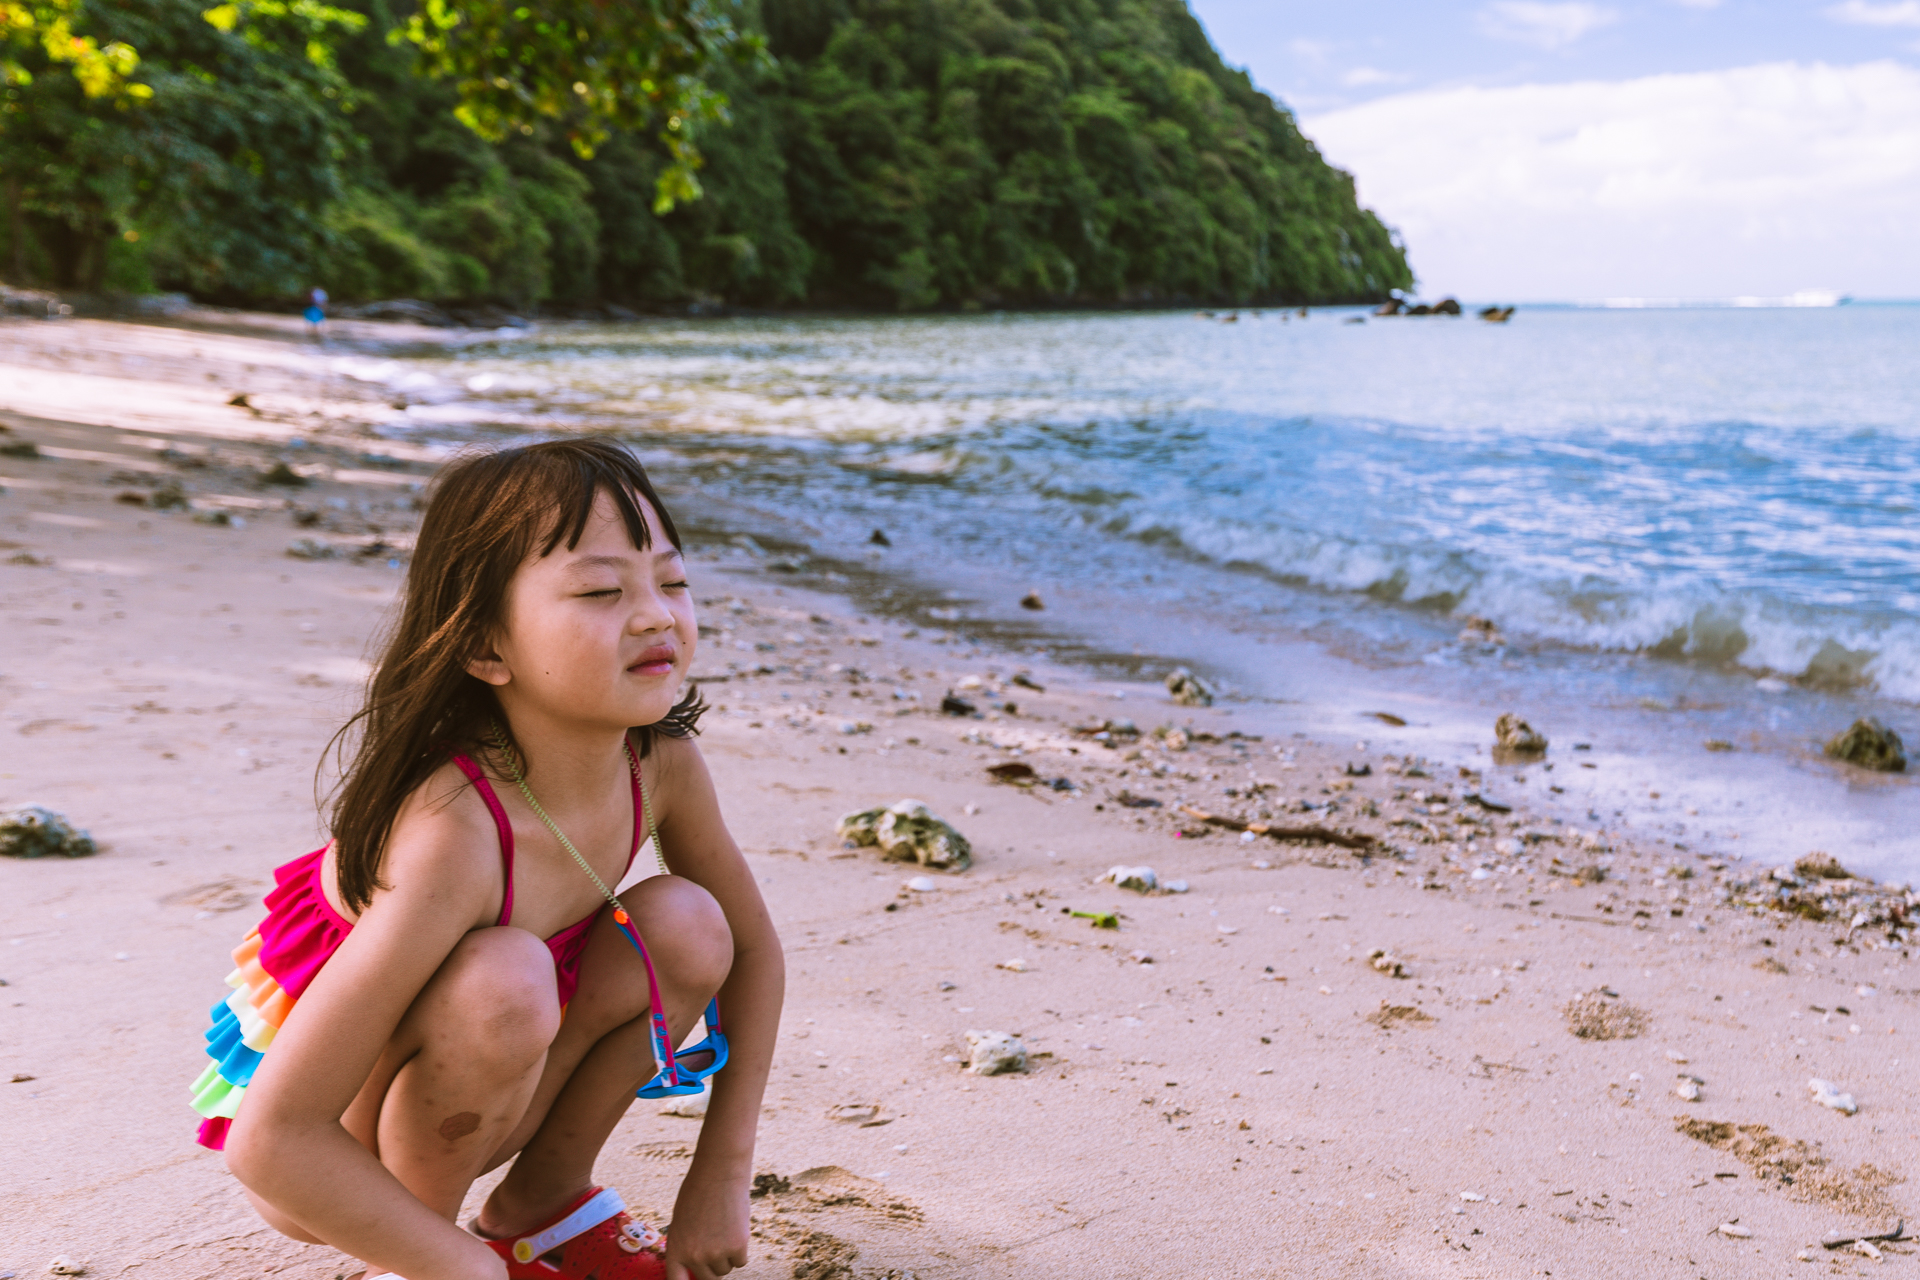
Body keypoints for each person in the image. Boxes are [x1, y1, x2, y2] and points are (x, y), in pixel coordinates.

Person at [187, 438, 783, 1280]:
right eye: (602, 590)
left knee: (689, 923)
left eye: (673, 581)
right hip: (329, 1151)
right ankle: (423, 1253)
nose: (657, 615)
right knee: (503, 973)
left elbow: (753, 953)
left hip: (503, 1050)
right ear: (484, 648)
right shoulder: (453, 831)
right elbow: (273, 1142)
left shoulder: (659, 762)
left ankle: (544, 1207)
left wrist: (719, 1173)